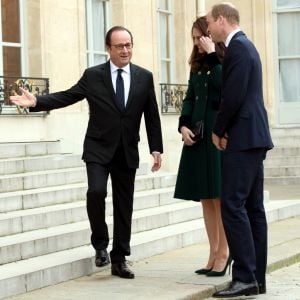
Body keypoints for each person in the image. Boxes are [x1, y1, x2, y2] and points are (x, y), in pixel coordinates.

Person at [10, 26, 163, 280]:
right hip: (98, 149)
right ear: (108, 48)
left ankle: (120, 258)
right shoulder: (93, 76)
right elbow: (69, 96)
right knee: (96, 191)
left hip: (127, 150)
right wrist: (37, 102)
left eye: (128, 45)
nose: (125, 50)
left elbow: (152, 115)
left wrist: (156, 147)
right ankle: (100, 245)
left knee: (125, 206)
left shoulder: (144, 77)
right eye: (119, 46)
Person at [206, 3, 274, 298]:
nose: (208, 28)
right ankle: (255, 278)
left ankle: (245, 276)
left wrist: (218, 130)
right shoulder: (245, 47)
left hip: (244, 138)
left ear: (222, 20)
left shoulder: (240, 48)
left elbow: (233, 95)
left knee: (233, 205)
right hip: (253, 136)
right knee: (252, 208)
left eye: (210, 22)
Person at [174, 16, 230, 277]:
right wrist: (183, 125)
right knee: (206, 198)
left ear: (211, 35)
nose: (197, 42)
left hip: (218, 135)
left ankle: (225, 253)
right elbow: (189, 97)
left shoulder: (223, 60)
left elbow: (224, 90)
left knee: (219, 197)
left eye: (201, 37)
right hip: (197, 134)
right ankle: (213, 251)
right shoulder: (196, 64)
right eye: (194, 38)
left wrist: (212, 57)